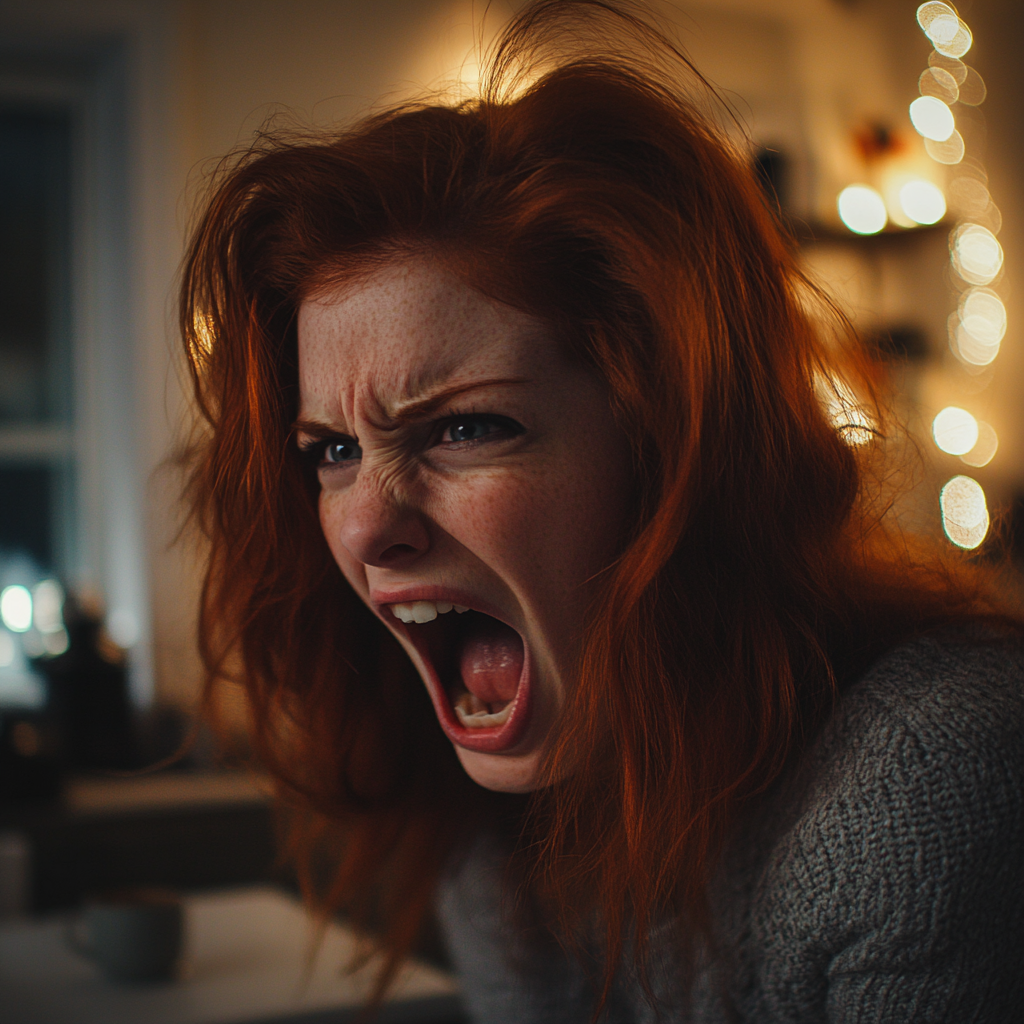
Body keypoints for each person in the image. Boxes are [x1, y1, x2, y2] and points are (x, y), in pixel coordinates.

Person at [179, 1, 1024, 1019]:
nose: (362, 528)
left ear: (672, 450)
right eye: (333, 451)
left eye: (464, 429)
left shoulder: (926, 774)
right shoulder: (488, 812)